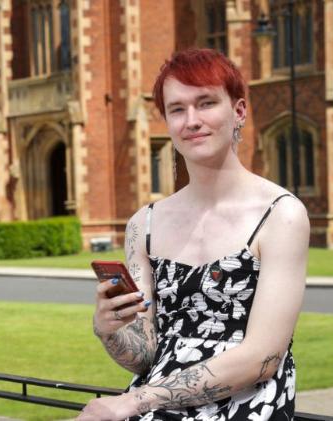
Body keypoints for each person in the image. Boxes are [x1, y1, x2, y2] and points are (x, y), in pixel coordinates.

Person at [78, 48, 309, 420]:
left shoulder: (280, 215)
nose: (192, 120)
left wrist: (135, 401)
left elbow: (262, 358)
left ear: (238, 111)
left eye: (206, 103)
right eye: (177, 109)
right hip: (161, 401)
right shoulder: (145, 225)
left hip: (246, 405)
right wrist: (107, 329)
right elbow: (146, 357)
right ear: (166, 122)